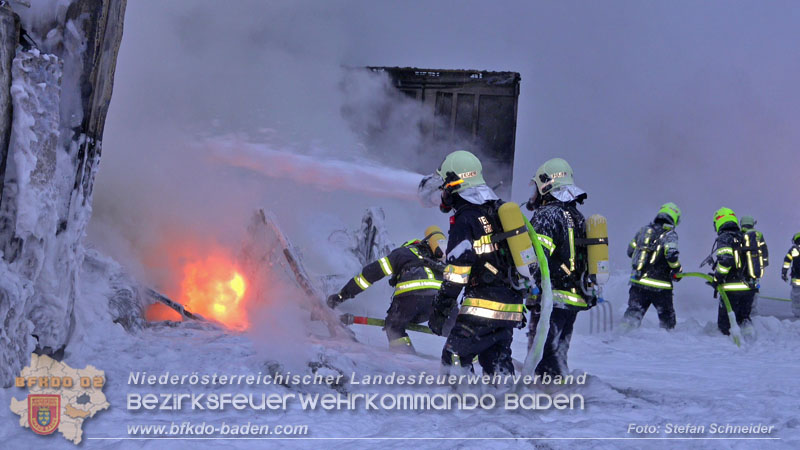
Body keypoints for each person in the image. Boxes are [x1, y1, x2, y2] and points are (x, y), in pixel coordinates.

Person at [427, 150, 525, 375]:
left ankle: (464, 406)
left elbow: (457, 272)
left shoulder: (466, 218)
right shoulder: (498, 209)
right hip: (511, 308)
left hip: (482, 307)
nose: (442, 194)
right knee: (498, 365)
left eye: (444, 187)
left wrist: (441, 307)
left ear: (453, 185)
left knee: (453, 360)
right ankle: (506, 407)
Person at [526, 158, 596, 377]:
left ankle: (553, 401)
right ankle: (562, 392)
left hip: (551, 298)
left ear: (546, 184)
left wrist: (523, 283)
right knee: (557, 354)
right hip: (572, 297)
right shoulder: (576, 215)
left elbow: (537, 259)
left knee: (544, 361)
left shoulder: (548, 215)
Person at [327, 226, 447, 353]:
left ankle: (405, 355)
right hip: (441, 301)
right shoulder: (438, 261)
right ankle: (460, 358)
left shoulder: (402, 253)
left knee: (394, 326)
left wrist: (342, 296)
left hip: (411, 298)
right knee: (458, 331)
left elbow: (369, 275)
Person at [621, 203, 682, 330]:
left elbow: (630, 251)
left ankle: (619, 339)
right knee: (667, 321)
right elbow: (671, 256)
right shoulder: (670, 234)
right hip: (660, 286)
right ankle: (668, 347)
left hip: (638, 283)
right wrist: (677, 270)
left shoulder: (644, 230)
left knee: (632, 316)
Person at [708, 207, 755, 335]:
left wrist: (717, 278)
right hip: (748, 288)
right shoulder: (743, 236)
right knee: (743, 318)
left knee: (726, 327)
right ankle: (750, 341)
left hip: (731, 290)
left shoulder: (725, 237)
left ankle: (732, 350)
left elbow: (726, 261)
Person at [740, 215, 768, 315]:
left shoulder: (740, 234)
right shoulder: (758, 235)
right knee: (754, 289)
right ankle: (752, 312)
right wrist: (763, 263)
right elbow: (764, 250)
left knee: (742, 289)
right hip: (755, 268)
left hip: (742, 269)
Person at [781, 233, 800, 318]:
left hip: (797, 278)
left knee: (797, 297)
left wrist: (784, 273)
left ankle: (798, 315)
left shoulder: (793, 249)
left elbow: (787, 262)